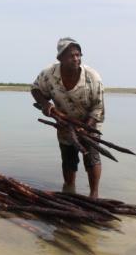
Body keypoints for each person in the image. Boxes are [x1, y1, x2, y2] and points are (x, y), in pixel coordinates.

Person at [31, 37, 105, 198]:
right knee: (68, 158)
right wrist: (46, 105)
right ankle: (69, 192)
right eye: (71, 56)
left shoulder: (92, 77)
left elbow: (98, 107)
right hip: (64, 124)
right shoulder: (49, 74)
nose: (76, 59)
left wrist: (85, 127)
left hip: (89, 125)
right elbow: (35, 89)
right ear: (60, 58)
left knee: (91, 157)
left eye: (78, 55)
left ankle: (94, 195)